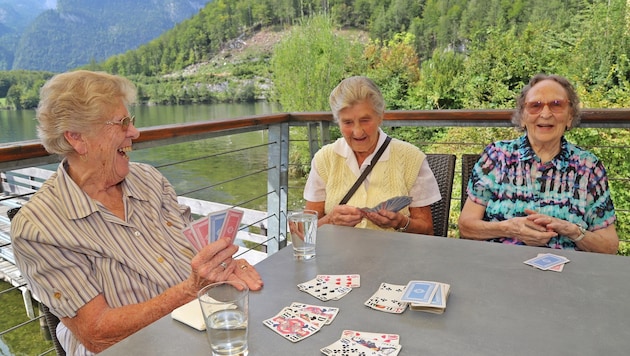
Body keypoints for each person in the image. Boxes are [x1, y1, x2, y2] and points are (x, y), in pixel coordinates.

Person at [10, 70, 264, 355]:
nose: (135, 132)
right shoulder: (38, 228)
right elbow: (97, 334)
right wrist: (191, 290)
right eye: (122, 123)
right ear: (77, 138)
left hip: (197, 327)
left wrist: (220, 268)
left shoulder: (149, 179)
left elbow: (195, 254)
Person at [458, 74, 619, 254]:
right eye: (535, 105)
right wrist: (509, 228)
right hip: (499, 267)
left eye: (556, 105)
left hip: (567, 273)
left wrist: (571, 230)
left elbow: (609, 246)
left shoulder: (588, 167)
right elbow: (466, 227)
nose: (545, 113)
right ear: (522, 117)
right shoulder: (497, 156)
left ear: (570, 117)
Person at [303, 76, 441, 234]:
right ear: (338, 122)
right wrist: (330, 220)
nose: (357, 131)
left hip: (394, 257)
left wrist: (401, 222)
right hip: (337, 257)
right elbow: (305, 231)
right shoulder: (324, 159)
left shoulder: (411, 159)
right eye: (347, 122)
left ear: (380, 116)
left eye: (365, 120)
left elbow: (428, 230)